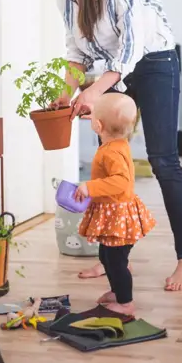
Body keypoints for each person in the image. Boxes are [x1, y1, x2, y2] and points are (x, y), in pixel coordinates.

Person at [32, 0, 182, 291]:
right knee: (109, 163)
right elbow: (76, 52)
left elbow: (131, 49)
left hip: (154, 63)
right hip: (113, 70)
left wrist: (94, 93)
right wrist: (67, 93)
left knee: (163, 161)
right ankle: (114, 259)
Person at [74, 92, 155, 315]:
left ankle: (126, 302)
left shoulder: (112, 152)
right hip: (114, 213)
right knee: (106, 257)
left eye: (93, 118)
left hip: (118, 216)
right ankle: (116, 291)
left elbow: (120, 182)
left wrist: (89, 187)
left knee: (116, 261)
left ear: (98, 125)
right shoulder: (118, 143)